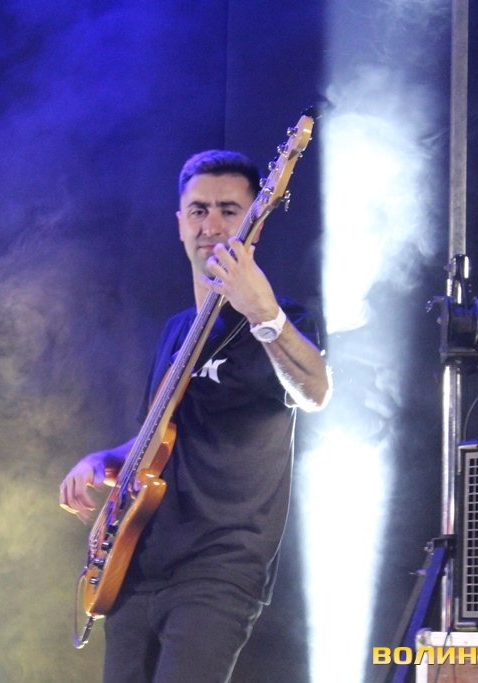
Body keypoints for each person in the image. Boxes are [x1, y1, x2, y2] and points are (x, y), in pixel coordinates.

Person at [59, 149, 331, 683]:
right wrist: (101, 460)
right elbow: (157, 441)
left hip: (219, 568)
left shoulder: (284, 320)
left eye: (229, 210)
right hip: (136, 561)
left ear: (256, 221)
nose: (212, 225)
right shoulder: (176, 330)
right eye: (199, 210)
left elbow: (315, 391)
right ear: (181, 223)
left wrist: (264, 314)